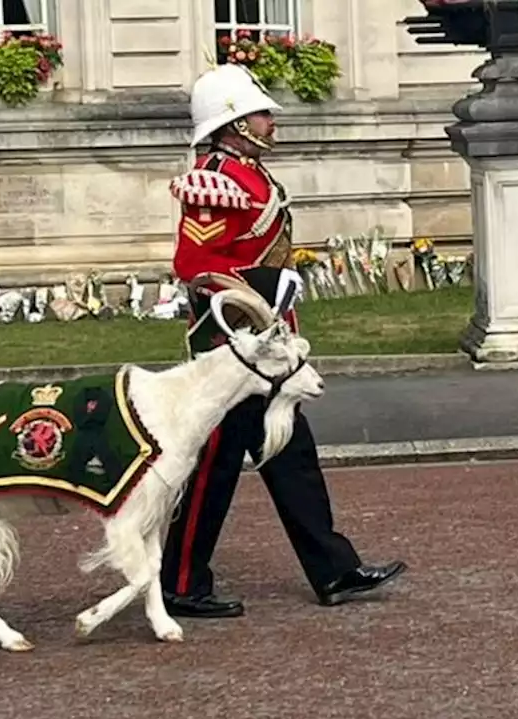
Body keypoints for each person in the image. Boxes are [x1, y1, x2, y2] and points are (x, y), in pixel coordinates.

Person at [160, 62, 407, 619]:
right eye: (261, 114)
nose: (271, 121)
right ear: (234, 124)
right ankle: (177, 581)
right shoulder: (214, 180)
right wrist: (262, 294)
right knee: (212, 470)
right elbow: (194, 263)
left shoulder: (249, 173)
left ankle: (334, 571)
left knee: (291, 455)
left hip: (266, 348)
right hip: (231, 348)